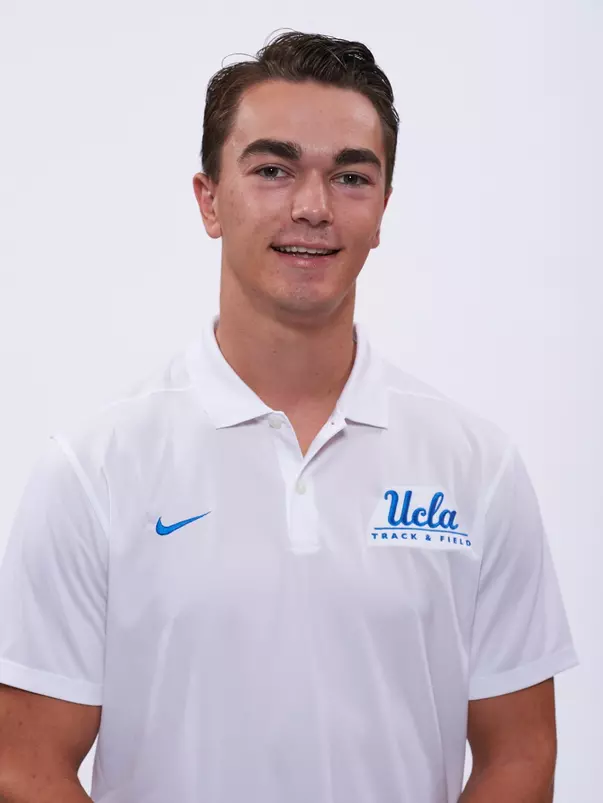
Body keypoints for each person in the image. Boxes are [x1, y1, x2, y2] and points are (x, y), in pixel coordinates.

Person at [0, 30, 579, 803]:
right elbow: (27, 766)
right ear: (209, 200)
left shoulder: (474, 464)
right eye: (272, 170)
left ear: (381, 209)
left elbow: (519, 755)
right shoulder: (95, 468)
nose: (312, 206)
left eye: (349, 175)